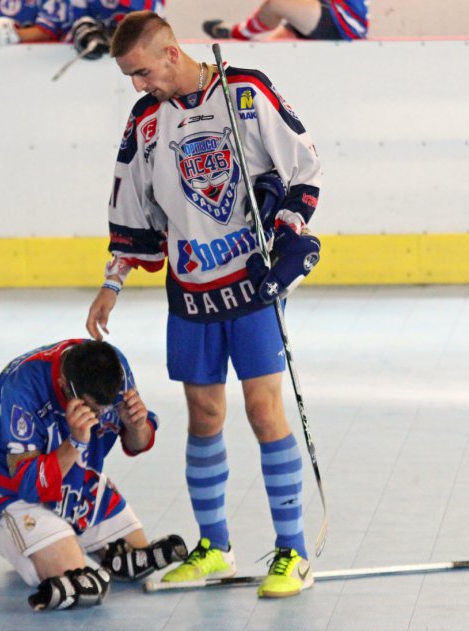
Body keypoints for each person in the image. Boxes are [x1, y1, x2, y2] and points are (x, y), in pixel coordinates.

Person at [85, 11, 322, 599]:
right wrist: (113, 282)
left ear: (170, 53)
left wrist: (288, 227)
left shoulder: (245, 92)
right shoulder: (146, 121)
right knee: (204, 415)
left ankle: (293, 551)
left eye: (142, 72)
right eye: (129, 77)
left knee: (264, 411)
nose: (138, 85)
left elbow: (304, 168)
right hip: (191, 289)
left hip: (252, 284)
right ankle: (214, 545)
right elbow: (132, 207)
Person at [0, 338, 187, 611]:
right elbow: (30, 486)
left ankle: (62, 536)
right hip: (12, 489)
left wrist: (136, 426)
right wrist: (75, 442)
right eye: (94, 409)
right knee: (72, 579)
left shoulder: (114, 369)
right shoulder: (21, 388)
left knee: (135, 560)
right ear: (65, 385)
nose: (101, 415)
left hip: (75, 478)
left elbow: (137, 443)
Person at [203, 0, 368, 42]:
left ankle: (238, 32)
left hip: (341, 20)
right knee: (267, 55)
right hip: (326, 15)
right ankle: (238, 32)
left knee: (276, 4)